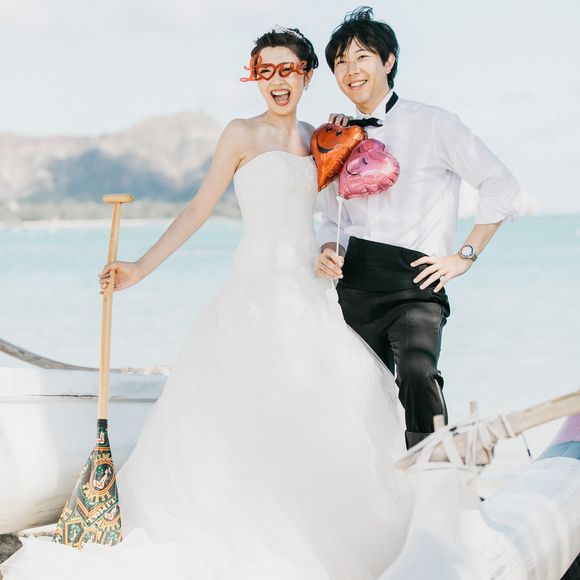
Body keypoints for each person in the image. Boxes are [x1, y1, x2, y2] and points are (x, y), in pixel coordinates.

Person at [1, 27, 411, 580]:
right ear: (255, 77)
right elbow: (197, 209)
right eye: (265, 71)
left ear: (307, 75)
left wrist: (332, 250)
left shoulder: (319, 137)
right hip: (255, 290)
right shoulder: (240, 133)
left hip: (310, 292)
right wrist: (140, 268)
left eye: (287, 69)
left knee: (324, 410)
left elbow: (338, 217)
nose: (276, 81)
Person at [316, 7, 523, 448]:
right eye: (341, 62)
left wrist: (464, 256)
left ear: (388, 60)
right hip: (353, 282)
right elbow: (332, 216)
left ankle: (437, 472)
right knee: (359, 395)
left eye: (362, 57)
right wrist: (327, 249)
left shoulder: (434, 123)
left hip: (416, 280)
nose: (351, 70)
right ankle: (379, 483)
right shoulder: (334, 136)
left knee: (417, 371)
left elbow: (501, 185)